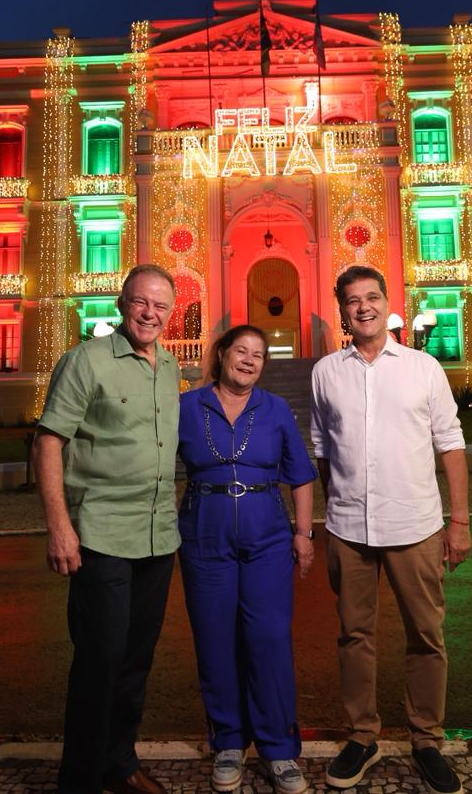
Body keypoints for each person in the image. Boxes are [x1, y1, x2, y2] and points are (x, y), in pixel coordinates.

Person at [309, 266, 471, 794]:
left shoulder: (423, 368)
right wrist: (333, 507)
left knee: (426, 636)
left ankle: (426, 739)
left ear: (387, 302)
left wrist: (459, 522)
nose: (364, 308)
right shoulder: (326, 372)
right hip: (349, 527)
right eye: (353, 301)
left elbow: (451, 445)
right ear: (343, 311)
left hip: (416, 525)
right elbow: (322, 450)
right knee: (354, 636)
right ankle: (363, 736)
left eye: (372, 297)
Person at [34, 263, 181, 794]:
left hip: (158, 537)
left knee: (136, 663)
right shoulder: (86, 360)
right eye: (141, 302)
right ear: (122, 303)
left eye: (161, 305)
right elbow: (48, 440)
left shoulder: (168, 368)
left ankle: (120, 763)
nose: (150, 313)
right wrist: (59, 527)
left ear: (171, 312)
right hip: (100, 536)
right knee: (99, 664)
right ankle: (80, 781)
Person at [177, 325, 317, 793]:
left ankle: (279, 749)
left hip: (268, 539)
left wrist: (303, 533)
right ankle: (229, 744)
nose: (250, 361)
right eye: (242, 351)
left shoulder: (274, 409)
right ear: (222, 354)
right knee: (215, 642)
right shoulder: (187, 408)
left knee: (269, 639)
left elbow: (299, 475)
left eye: (258, 355)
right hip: (204, 536)